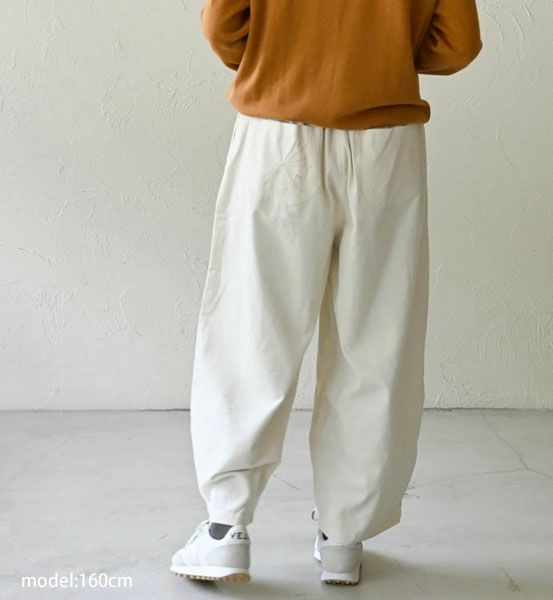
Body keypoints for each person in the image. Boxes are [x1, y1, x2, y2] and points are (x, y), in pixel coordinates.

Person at [170, 0, 483, 585]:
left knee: (252, 330)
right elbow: (457, 44)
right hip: (386, 144)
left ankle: (225, 529)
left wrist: (282, 55)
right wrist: (380, 57)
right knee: (376, 340)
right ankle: (343, 536)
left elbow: (223, 26)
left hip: (277, 132)